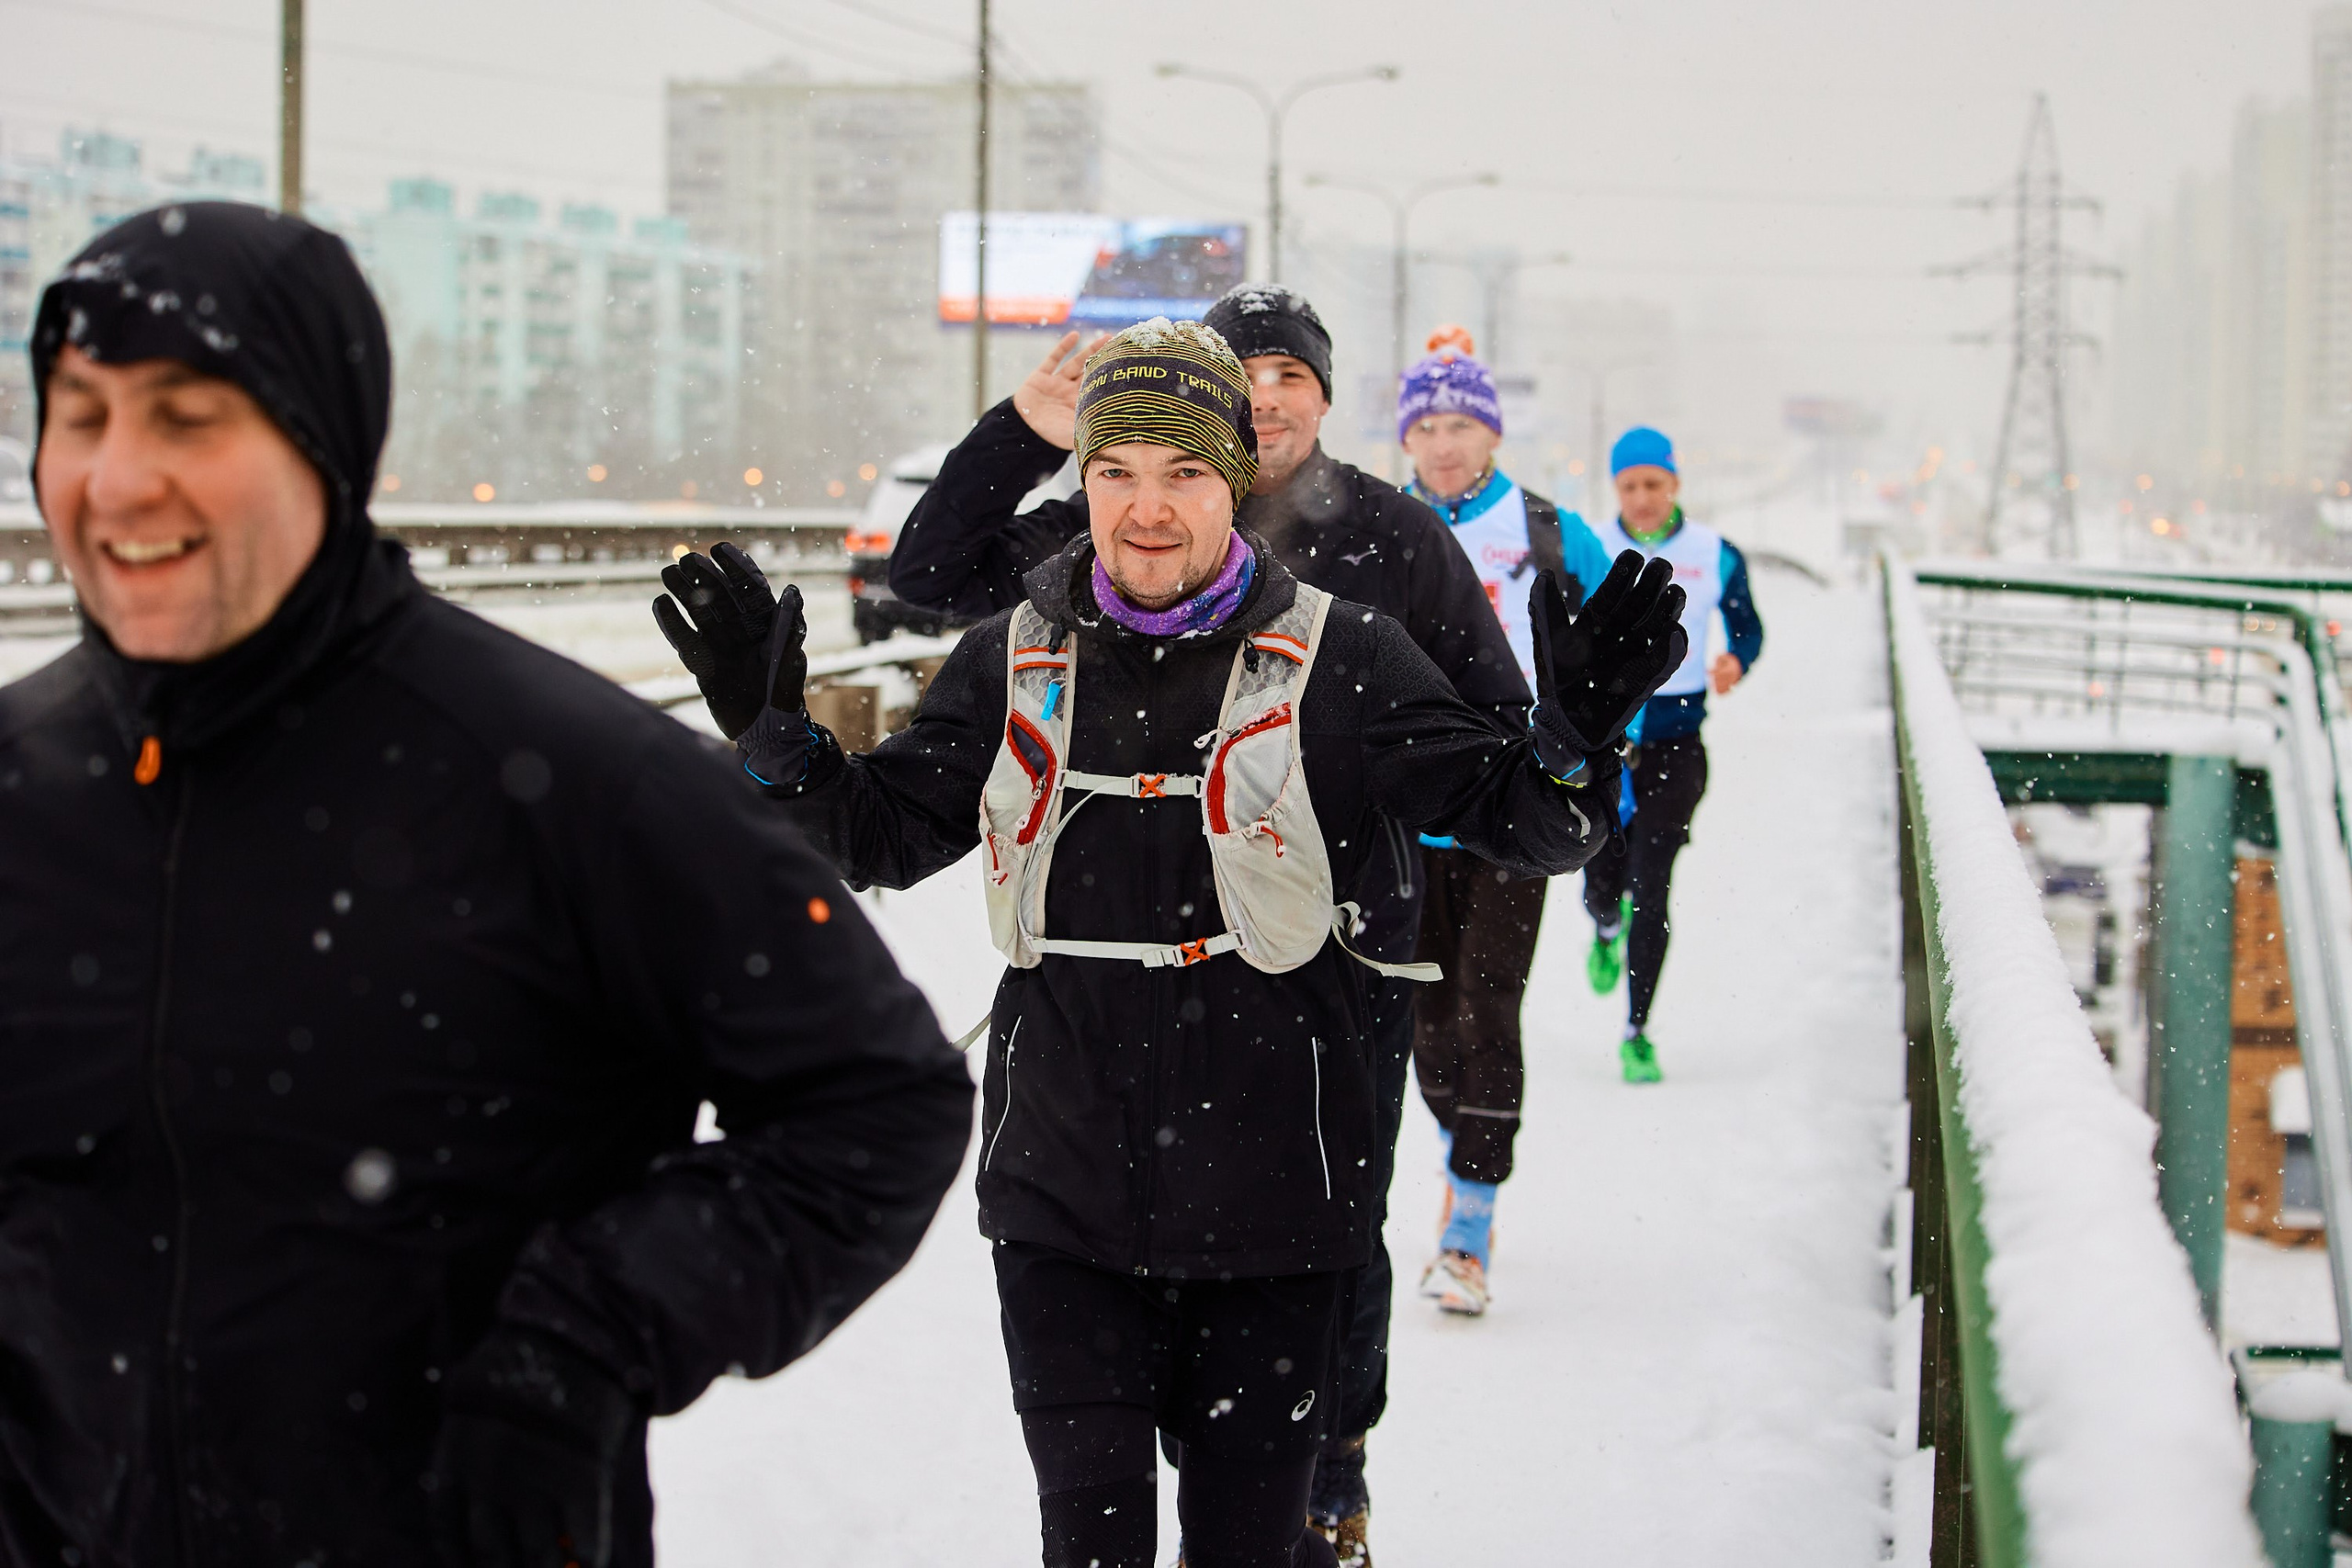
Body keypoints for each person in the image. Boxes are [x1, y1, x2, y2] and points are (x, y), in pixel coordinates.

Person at [0, 202, 974, 1568]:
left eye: (186, 417)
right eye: (80, 416)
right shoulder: (20, 786)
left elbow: (878, 1104)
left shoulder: (568, 776)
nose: (115, 478)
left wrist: (578, 1341)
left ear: (323, 437)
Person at [654, 318, 1684, 1568]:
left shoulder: (1350, 658)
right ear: (1082, 478)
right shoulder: (1011, 656)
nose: (1146, 510)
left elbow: (1524, 818)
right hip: (1061, 1190)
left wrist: (1578, 733)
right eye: (1115, 472)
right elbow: (876, 832)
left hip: (1280, 1202)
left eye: (1184, 472)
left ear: (1234, 478)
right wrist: (773, 740)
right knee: (1089, 1543)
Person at [882, 285, 1527, 1563]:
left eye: (1294, 370)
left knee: (1331, 1222)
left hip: (1326, 965)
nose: (1271, 389)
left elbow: (1496, 751)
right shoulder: (1117, 528)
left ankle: (1328, 1472)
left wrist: (1437, 802)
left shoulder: (1390, 543)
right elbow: (929, 574)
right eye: (1248, 368)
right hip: (1098, 1029)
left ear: (1320, 401)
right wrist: (1022, 429)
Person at [1393, 327, 1617, 1318]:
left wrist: (1587, 751)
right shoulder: (1377, 529)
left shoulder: (1550, 535)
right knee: (1422, 1021)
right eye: (1426, 426)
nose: (1443, 444)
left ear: (1491, 433)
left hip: (1513, 812)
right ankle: (1463, 1151)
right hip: (1401, 814)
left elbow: (1624, 666)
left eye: (1461, 425)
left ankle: (1468, 1226)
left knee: (1487, 1006)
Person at [1580, 425, 1764, 1082]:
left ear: (1675, 484)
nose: (1642, 497)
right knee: (1603, 878)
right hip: (1604, 743)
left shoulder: (1714, 552)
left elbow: (1748, 624)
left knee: (1651, 888)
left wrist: (1734, 659)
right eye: (1629, 486)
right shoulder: (1591, 546)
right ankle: (1604, 924)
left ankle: (1637, 1030)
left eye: (1653, 484)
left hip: (1677, 747)